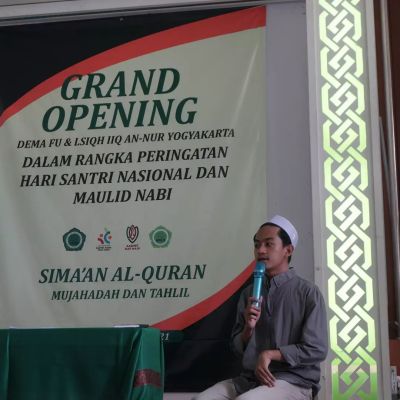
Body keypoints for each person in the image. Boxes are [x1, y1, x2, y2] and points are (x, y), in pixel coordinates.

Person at [193, 215, 328, 400]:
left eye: (268, 244)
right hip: (250, 380)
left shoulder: (307, 292)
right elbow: (236, 348)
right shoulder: (249, 293)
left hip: (294, 381)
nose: (261, 250)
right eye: (257, 245)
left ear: (288, 250)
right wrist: (248, 329)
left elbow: (317, 349)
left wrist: (271, 354)